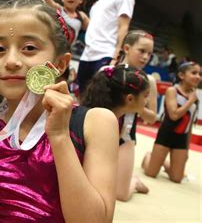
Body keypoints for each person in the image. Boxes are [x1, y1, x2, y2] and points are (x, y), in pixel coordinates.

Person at [0, 0, 119, 223]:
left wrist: (59, 137)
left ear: (60, 63)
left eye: (29, 48)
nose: (11, 61)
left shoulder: (96, 123)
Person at [82, 64, 152, 202]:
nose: (147, 101)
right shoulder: (103, 121)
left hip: (121, 141)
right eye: (145, 96)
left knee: (120, 193)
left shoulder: (116, 119)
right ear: (130, 99)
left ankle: (132, 182)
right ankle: (134, 181)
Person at [77, 0, 135, 94]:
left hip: (106, 54)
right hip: (86, 56)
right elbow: (93, 28)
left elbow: (123, 26)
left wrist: (116, 56)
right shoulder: (96, 3)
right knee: (82, 98)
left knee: (100, 99)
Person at [112, 30, 157, 201]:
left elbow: (152, 118)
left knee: (120, 195)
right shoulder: (108, 71)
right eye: (142, 51)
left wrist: (138, 107)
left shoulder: (149, 80)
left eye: (149, 53)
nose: (146, 57)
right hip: (100, 134)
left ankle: (134, 181)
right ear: (127, 48)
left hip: (125, 139)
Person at [142, 62, 200, 183]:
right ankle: (149, 156)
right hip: (166, 135)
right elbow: (174, 115)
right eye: (194, 73)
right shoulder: (172, 91)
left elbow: (189, 126)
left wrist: (187, 149)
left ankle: (162, 161)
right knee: (151, 173)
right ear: (181, 75)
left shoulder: (194, 97)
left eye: (200, 74)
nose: (198, 77)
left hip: (181, 139)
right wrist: (190, 102)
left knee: (177, 178)